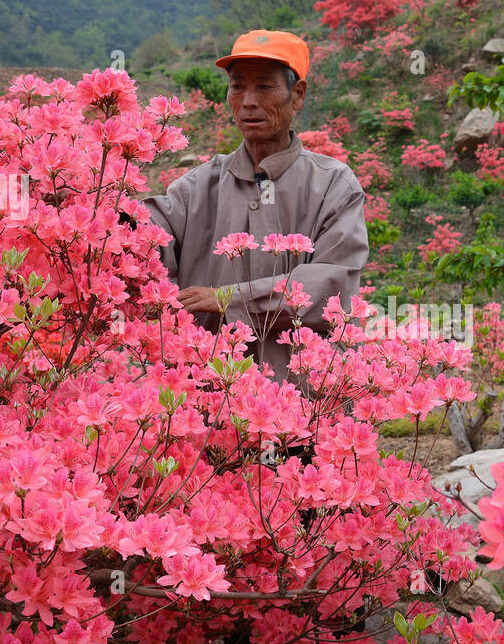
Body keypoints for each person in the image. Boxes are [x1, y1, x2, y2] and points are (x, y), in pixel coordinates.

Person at [142, 29, 369, 384]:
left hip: (302, 404)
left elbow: (331, 285)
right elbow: (146, 232)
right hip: (211, 401)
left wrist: (229, 298)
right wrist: (89, 204)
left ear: (297, 96)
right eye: (237, 87)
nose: (248, 101)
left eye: (264, 87)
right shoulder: (198, 186)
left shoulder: (334, 184)